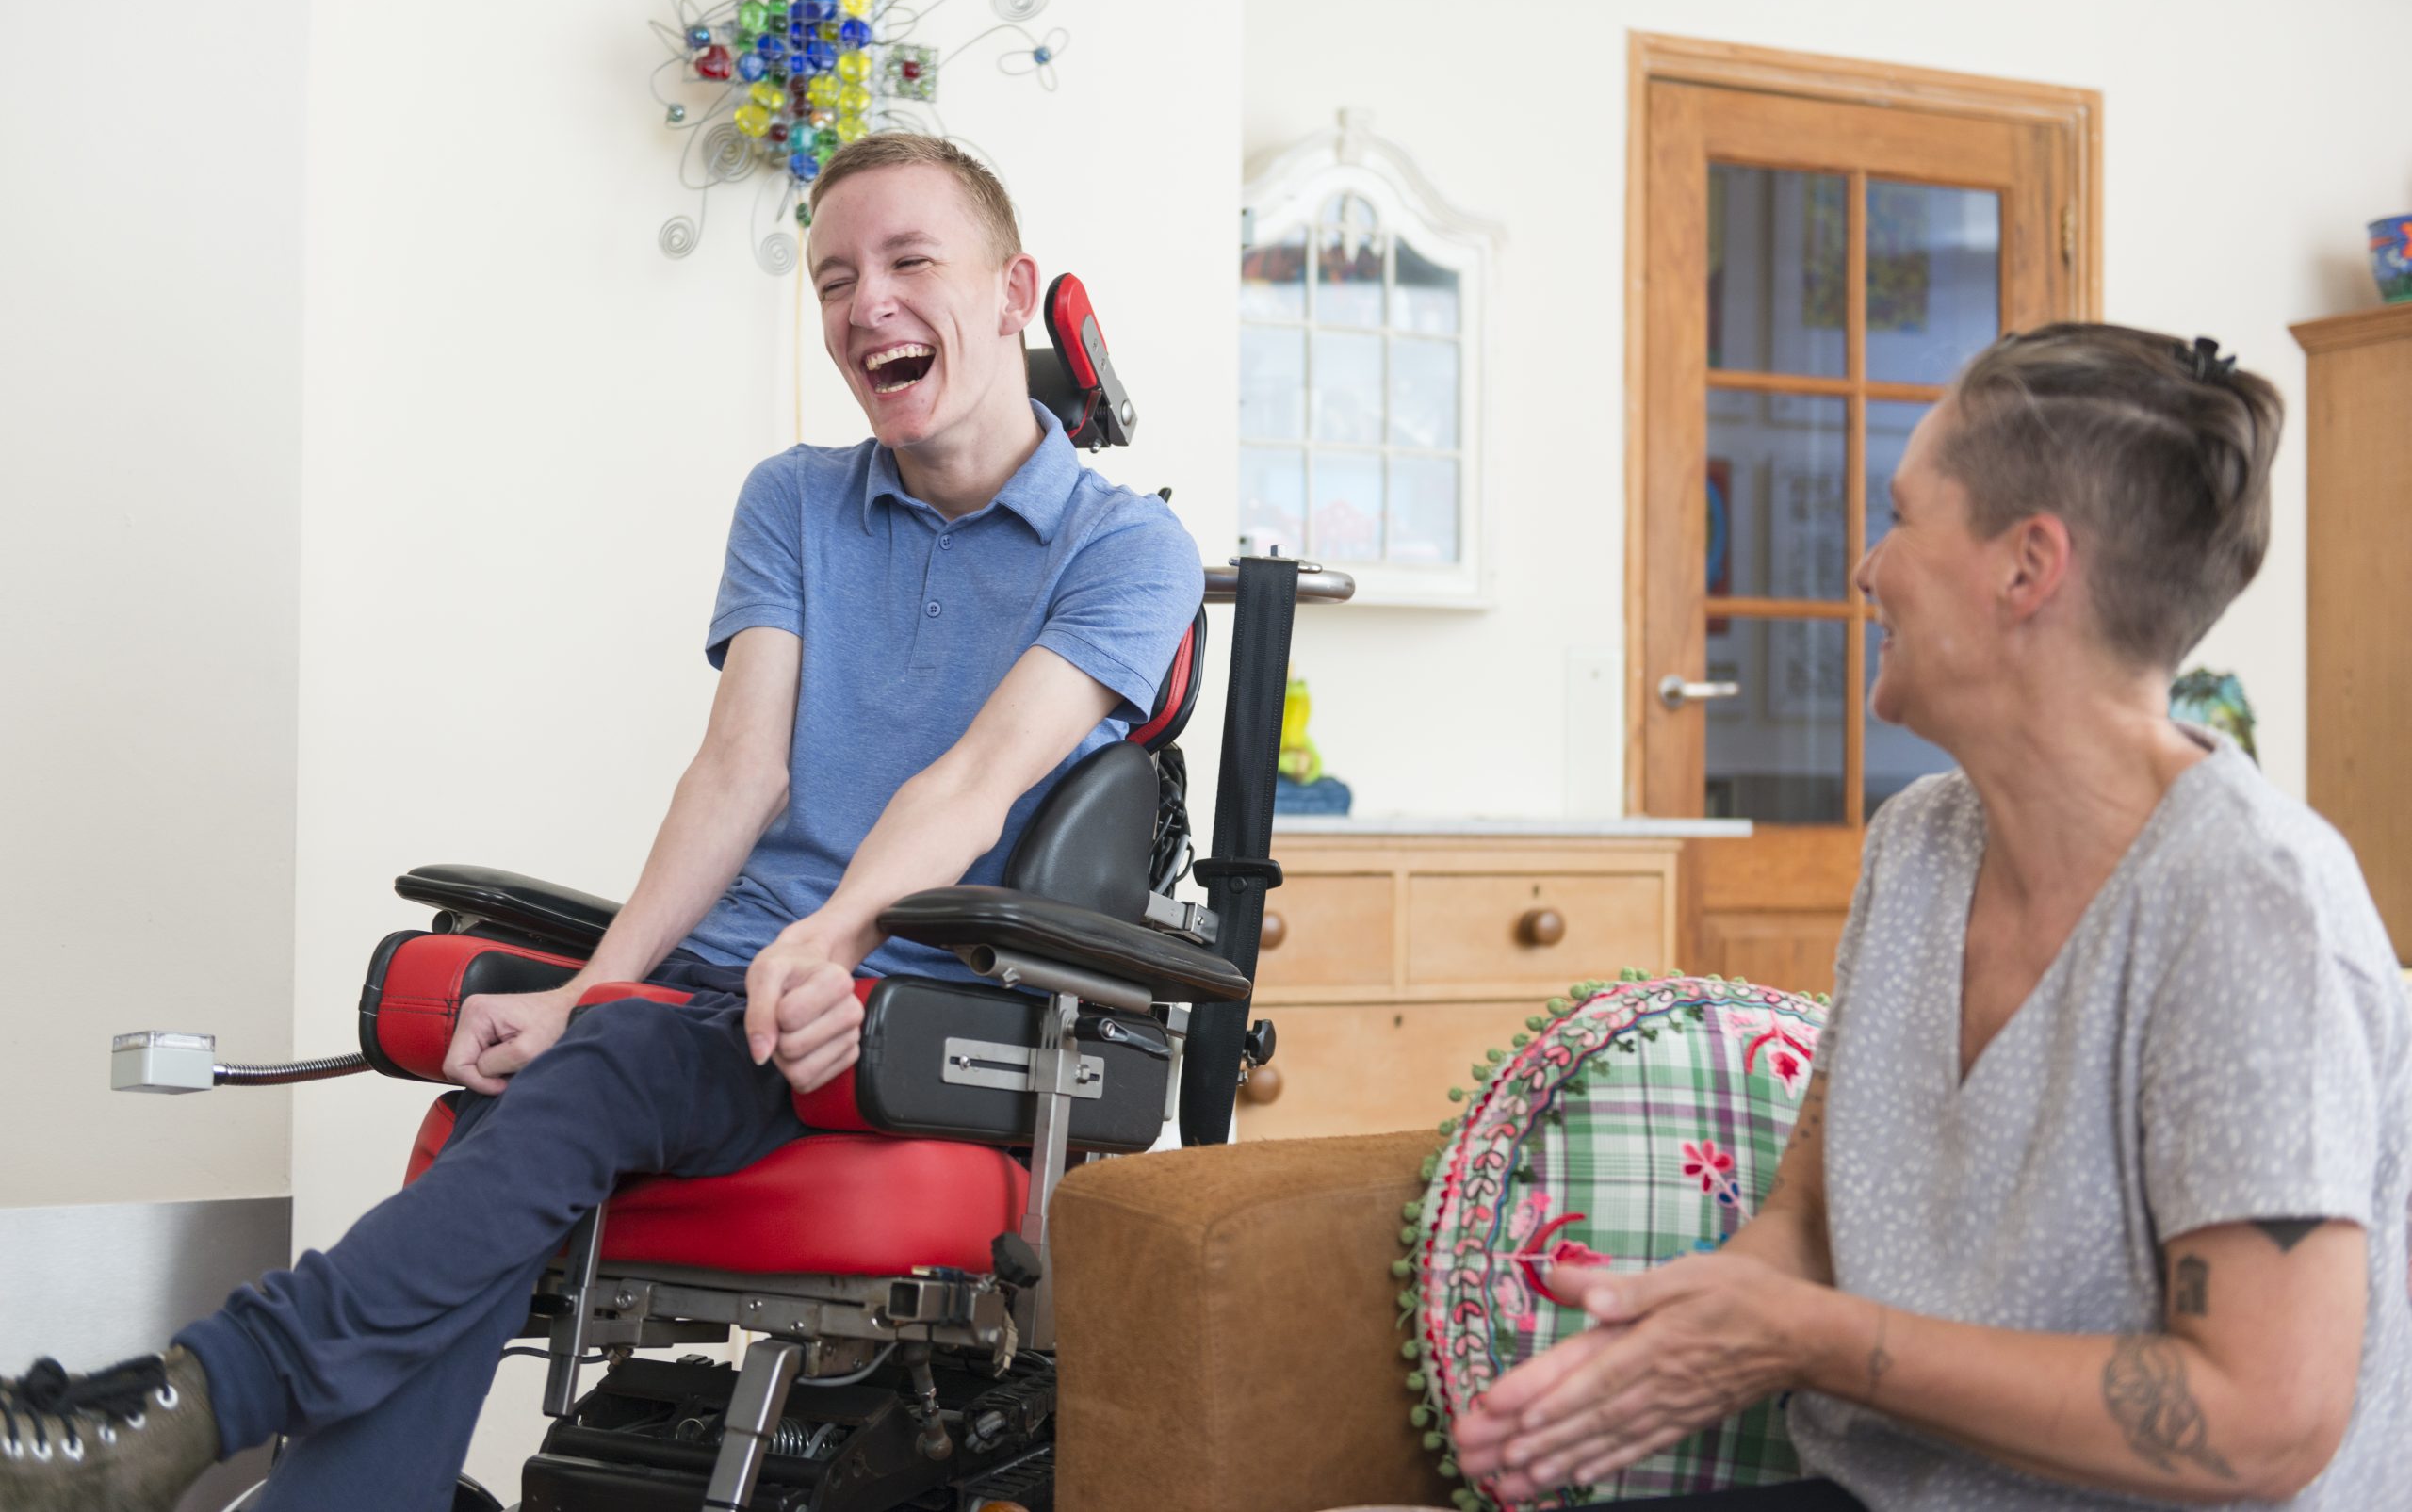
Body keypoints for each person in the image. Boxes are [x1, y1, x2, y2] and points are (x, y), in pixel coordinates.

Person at [0, 132, 1204, 1511]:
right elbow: (736, 773)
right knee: (552, 1087)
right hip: (722, 1000)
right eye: (832, 279)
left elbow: (973, 781)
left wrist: (826, 940)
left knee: (587, 1077)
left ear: (1011, 291)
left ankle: (184, 1405)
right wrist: (590, 987)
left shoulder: (1127, 549)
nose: (865, 302)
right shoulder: (796, 499)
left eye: (909, 260)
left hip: (912, 1020)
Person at [1456, 325, 2411, 1510]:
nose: (1868, 568)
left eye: (1901, 518)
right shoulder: (1917, 844)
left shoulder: (2251, 903)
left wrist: (1810, 1340)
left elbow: (2262, 1422)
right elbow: (1810, 1219)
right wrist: (1690, 1333)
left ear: (2027, 566)